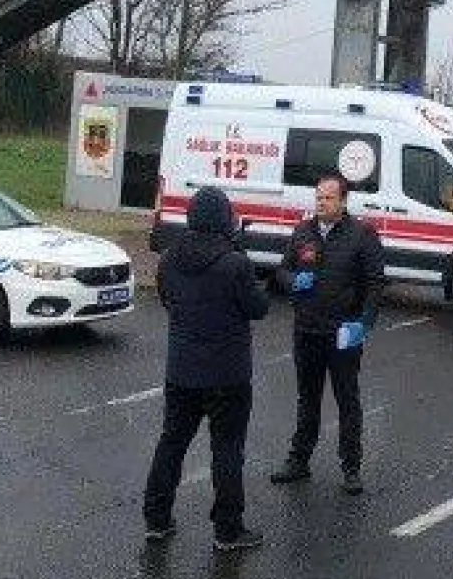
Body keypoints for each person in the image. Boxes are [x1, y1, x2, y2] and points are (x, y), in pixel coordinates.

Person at [142, 185, 269, 552]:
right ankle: (227, 530)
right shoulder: (234, 262)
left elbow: (168, 301)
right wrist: (240, 248)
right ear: (225, 219)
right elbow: (258, 307)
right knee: (227, 450)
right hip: (227, 374)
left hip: (181, 370)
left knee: (172, 443)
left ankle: (156, 518)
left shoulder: (169, 258)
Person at [269, 170, 387, 495]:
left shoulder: (362, 234)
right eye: (318, 197)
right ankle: (299, 461)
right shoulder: (303, 231)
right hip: (307, 330)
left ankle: (351, 467)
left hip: (342, 333)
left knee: (347, 401)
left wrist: (364, 323)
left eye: (328, 197)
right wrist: (292, 281)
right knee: (307, 399)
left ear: (344, 200)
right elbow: (282, 270)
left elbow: (376, 284)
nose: (321, 202)